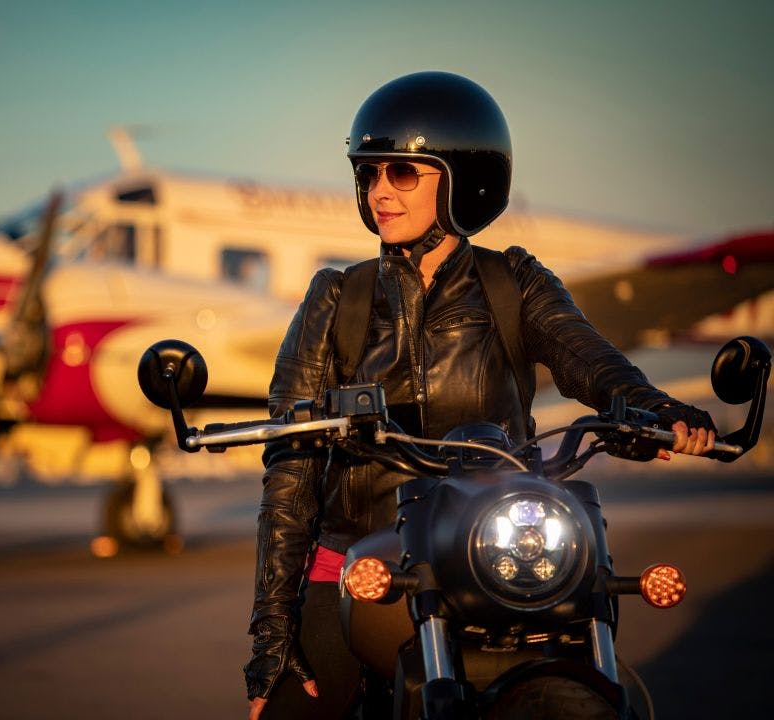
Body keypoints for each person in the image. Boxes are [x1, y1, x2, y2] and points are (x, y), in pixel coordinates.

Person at [245, 71, 716, 720]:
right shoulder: (337, 299)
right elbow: (291, 475)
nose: (379, 191)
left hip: (491, 548)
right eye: (369, 173)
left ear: (465, 178)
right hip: (358, 558)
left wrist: (650, 408)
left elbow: (592, 363)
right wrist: (272, 634)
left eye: (402, 173)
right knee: (296, 710)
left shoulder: (512, 282)